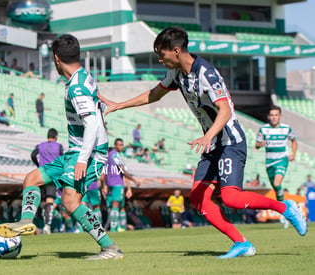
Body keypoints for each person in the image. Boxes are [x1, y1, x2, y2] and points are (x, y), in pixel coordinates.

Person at [98, 26, 307, 259]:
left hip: (230, 141)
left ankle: (285, 208)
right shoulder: (177, 73)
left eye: (162, 53)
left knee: (231, 198)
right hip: (212, 145)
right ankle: (241, 243)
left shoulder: (206, 73)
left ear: (176, 51)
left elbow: (226, 109)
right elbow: (153, 95)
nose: (159, 58)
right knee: (198, 198)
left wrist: (209, 135)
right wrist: (118, 104)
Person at [0, 34, 123, 260]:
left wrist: (83, 159)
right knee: (31, 179)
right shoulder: (83, 76)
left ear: (55, 59)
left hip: (91, 153)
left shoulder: (76, 88)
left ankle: (109, 248)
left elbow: (91, 123)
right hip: (75, 150)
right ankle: (26, 220)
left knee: (70, 201)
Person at [256, 105, 297, 202]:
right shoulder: (263, 129)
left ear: (280, 116)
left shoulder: (287, 128)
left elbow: (294, 141)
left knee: (277, 183)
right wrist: (261, 144)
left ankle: (283, 207)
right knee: (275, 187)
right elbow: (256, 145)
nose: (274, 117)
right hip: (269, 162)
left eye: (276, 115)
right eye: (272, 115)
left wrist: (293, 154)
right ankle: (281, 204)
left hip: (282, 159)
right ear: (268, 117)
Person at [30, 128, 64, 234]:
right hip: (52, 175)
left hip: (41, 174)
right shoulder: (59, 147)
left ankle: (33, 225)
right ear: (56, 137)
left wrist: (38, 165)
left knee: (40, 201)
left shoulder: (40, 146)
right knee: (49, 201)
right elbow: (63, 159)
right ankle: (47, 226)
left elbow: (33, 155)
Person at [105, 138, 140, 232]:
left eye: (122, 144)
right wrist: (134, 180)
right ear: (115, 145)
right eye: (120, 145)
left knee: (119, 206)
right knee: (116, 205)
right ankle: (114, 228)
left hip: (111, 183)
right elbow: (123, 170)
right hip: (117, 183)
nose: (122, 147)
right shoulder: (116, 155)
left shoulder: (108, 155)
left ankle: (119, 227)